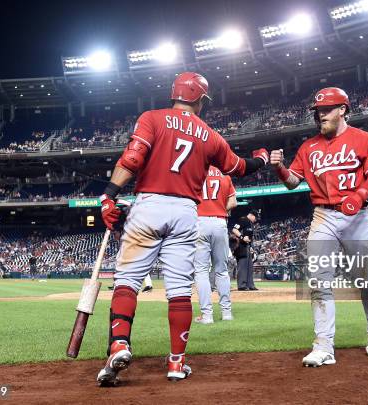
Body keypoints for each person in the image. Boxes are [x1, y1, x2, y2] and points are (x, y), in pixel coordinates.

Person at [96, 72, 268, 386]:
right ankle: (176, 363)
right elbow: (238, 168)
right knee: (178, 289)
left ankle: (119, 344)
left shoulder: (152, 118)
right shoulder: (209, 134)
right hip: (188, 211)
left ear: (174, 94)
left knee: (128, 281)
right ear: (200, 100)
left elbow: (133, 157)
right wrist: (261, 159)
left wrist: (109, 195)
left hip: (149, 205)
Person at [270, 87, 368, 367]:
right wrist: (279, 168)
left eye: (326, 110)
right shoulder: (308, 147)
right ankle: (323, 346)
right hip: (323, 215)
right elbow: (292, 182)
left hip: (357, 216)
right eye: (318, 111)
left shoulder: (363, 138)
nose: (320, 115)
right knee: (319, 280)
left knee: (365, 281)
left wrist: (359, 195)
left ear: (343, 110)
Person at [194, 166, 237, 324]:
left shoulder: (195, 171)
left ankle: (207, 316)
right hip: (220, 221)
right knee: (221, 270)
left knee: (201, 271)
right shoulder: (225, 175)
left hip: (199, 222)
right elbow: (233, 202)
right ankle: (226, 313)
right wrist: (220, 208)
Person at [232, 209, 259, 291]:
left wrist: (251, 247)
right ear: (252, 215)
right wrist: (242, 237)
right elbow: (234, 229)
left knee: (249, 266)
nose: (256, 220)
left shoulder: (250, 223)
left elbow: (249, 237)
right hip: (240, 246)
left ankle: (250, 285)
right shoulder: (243, 220)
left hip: (247, 246)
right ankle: (241, 285)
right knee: (242, 266)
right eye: (256, 218)